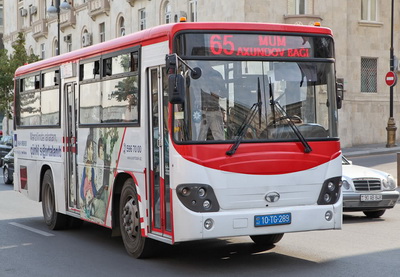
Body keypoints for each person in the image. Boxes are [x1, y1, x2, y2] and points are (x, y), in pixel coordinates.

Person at [193, 62, 227, 140]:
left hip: (214, 110)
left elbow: (224, 93)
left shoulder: (216, 75)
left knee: (219, 138)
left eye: (205, 65)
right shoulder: (197, 75)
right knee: (199, 138)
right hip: (201, 111)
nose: (204, 67)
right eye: (202, 66)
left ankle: (220, 152)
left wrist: (215, 93)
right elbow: (192, 91)